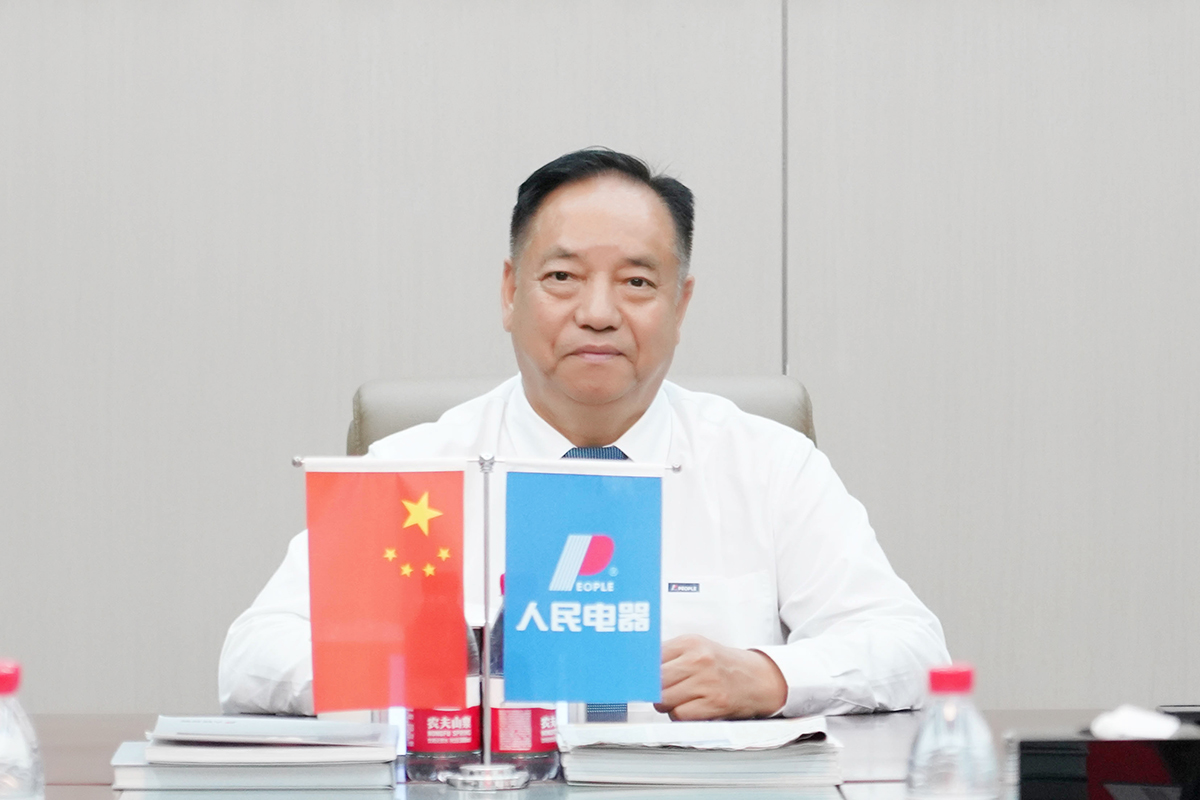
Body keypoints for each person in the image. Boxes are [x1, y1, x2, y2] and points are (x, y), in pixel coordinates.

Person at [219, 148, 949, 720]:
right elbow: (253, 655)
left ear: (680, 305)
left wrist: (769, 675)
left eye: (637, 283)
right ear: (511, 292)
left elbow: (912, 647)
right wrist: (431, 675)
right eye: (563, 277)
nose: (598, 313)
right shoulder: (412, 469)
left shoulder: (770, 465)